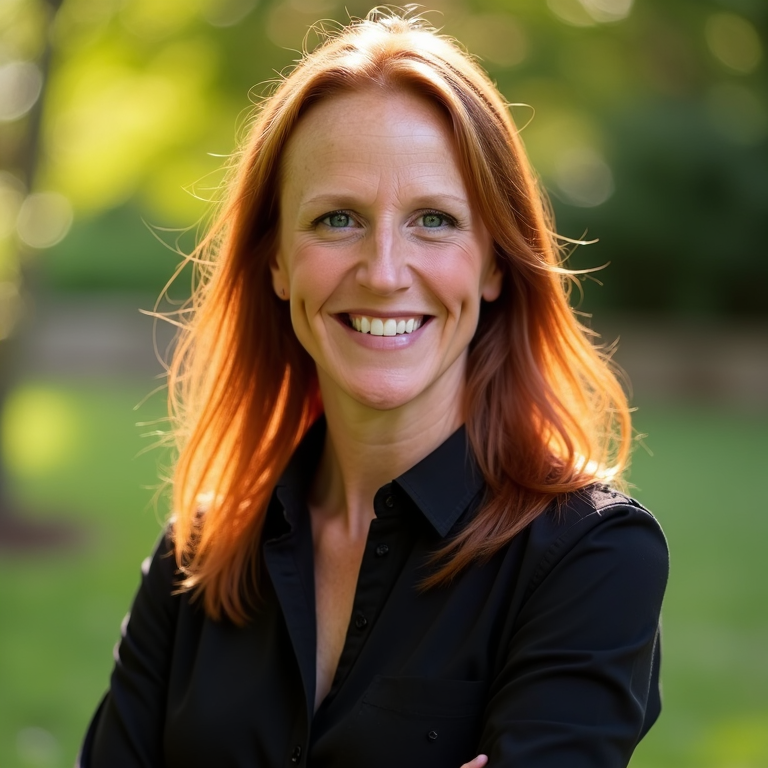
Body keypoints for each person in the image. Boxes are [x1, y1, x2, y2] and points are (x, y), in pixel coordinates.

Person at [78, 8, 668, 768]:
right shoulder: (198, 557)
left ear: (494, 263)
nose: (385, 271)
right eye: (337, 219)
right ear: (278, 262)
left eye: (433, 219)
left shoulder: (591, 560)